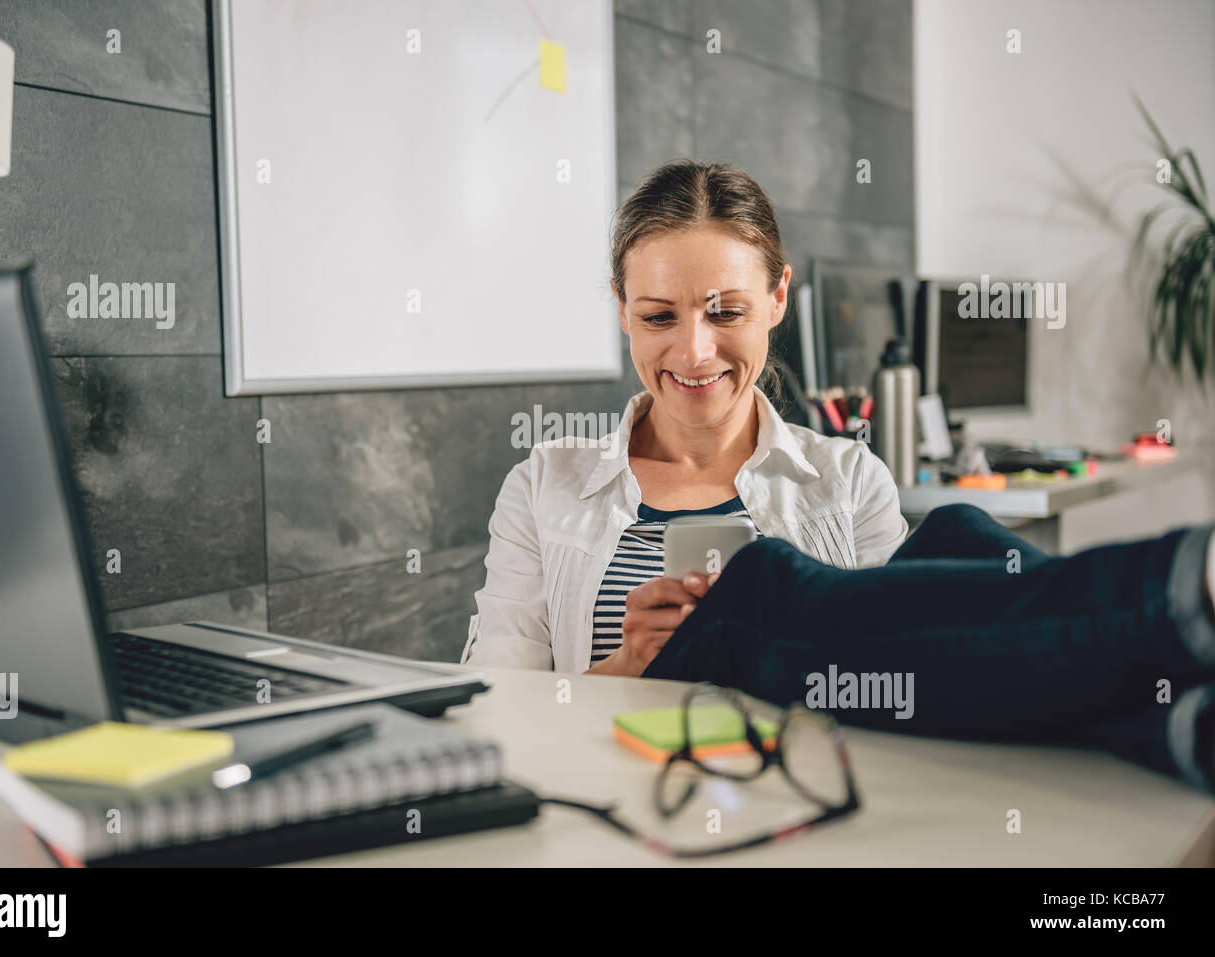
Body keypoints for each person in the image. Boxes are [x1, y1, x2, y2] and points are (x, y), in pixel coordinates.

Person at [460, 158, 1215, 792]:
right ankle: (1187, 586)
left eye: (725, 312)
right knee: (759, 586)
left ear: (778, 299)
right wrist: (628, 665)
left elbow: (927, 668)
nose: (693, 352)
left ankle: (1181, 724)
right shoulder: (543, 482)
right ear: (623, 310)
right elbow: (498, 710)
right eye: (659, 316)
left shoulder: (849, 477)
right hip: (622, 790)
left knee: (957, 529)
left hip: (800, 782)